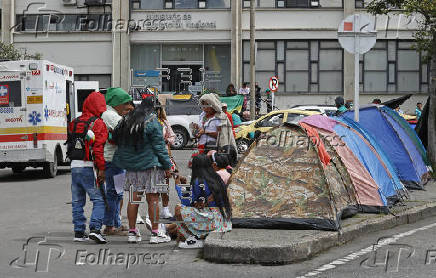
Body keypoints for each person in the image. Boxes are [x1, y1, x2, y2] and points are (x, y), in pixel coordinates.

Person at [112, 97, 173, 244]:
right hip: (151, 166)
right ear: (154, 109)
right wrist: (167, 166)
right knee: (153, 199)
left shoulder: (127, 121)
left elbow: (115, 139)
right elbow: (159, 147)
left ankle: (132, 233)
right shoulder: (153, 122)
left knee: (133, 199)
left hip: (132, 168)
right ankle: (155, 233)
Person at [167, 154, 232, 248]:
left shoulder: (199, 181)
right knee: (184, 219)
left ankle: (195, 239)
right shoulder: (216, 177)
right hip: (222, 220)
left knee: (179, 208)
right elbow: (195, 199)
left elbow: (186, 202)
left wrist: (177, 183)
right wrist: (184, 185)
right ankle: (167, 229)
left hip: (212, 220)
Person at [69, 92, 108, 244]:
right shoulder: (98, 123)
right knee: (99, 200)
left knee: (77, 201)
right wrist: (102, 168)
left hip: (74, 165)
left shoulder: (74, 121)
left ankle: (79, 232)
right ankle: (95, 229)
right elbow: (97, 149)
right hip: (89, 166)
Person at [101, 87, 134, 236]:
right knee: (113, 193)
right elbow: (128, 132)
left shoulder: (111, 114)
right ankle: (109, 225)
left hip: (117, 160)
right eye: (126, 103)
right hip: (113, 160)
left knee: (118, 193)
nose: (128, 107)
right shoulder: (110, 115)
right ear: (117, 103)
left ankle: (116, 223)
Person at [156, 103, 176, 219]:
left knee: (165, 183)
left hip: (164, 155)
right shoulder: (145, 121)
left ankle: (165, 208)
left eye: (157, 110)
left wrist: (166, 140)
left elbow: (172, 137)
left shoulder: (164, 122)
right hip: (150, 156)